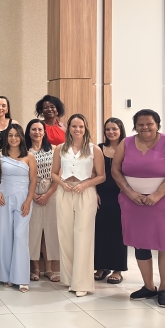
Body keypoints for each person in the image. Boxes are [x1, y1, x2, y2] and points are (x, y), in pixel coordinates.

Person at [112, 109, 165, 308]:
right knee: (140, 244)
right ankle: (148, 286)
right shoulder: (126, 143)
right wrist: (130, 193)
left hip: (164, 200)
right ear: (135, 126)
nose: (145, 127)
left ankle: (164, 288)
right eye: (140, 124)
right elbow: (115, 170)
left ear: (157, 124)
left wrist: (157, 194)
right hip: (133, 202)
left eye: (149, 124)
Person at [51, 114, 105, 297]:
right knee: (65, 234)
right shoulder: (60, 148)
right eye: (74, 126)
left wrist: (85, 184)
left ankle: (82, 283)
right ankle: (70, 278)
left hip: (85, 192)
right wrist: (62, 183)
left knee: (83, 235)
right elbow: (54, 173)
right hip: (64, 192)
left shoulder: (94, 149)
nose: (77, 129)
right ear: (69, 128)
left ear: (85, 128)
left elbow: (101, 176)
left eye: (81, 126)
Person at [0, 124, 38, 292]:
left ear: (21, 137)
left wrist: (28, 200)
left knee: (20, 236)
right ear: (6, 138)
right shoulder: (0, 156)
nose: (13, 138)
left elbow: (33, 180)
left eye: (16, 135)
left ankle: (21, 278)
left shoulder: (29, 156)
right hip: (4, 199)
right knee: (4, 236)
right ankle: (6, 276)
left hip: (23, 199)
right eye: (10, 135)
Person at [25, 119, 60, 283]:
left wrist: (48, 194)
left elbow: (59, 174)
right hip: (31, 192)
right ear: (29, 132)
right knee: (34, 231)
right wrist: (32, 195)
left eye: (40, 129)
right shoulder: (24, 151)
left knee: (50, 231)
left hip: (51, 192)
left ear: (44, 132)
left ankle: (49, 269)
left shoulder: (54, 149)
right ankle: (35, 268)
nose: (37, 132)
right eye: (33, 129)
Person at [93, 117, 127, 285]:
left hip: (122, 195)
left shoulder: (128, 148)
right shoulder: (99, 148)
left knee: (118, 232)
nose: (111, 132)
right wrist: (94, 192)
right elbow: (93, 172)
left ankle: (117, 269)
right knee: (100, 231)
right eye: (108, 129)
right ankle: (101, 266)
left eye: (114, 129)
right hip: (101, 195)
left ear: (121, 130)